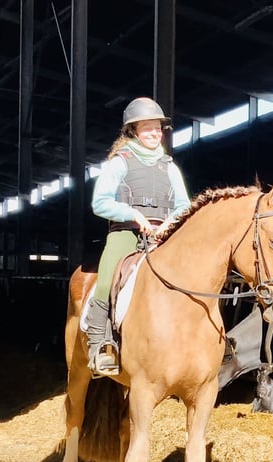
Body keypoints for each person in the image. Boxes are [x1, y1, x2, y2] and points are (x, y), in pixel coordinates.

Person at [86, 96, 191, 376]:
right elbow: (100, 202)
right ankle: (100, 345)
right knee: (108, 277)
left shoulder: (169, 166)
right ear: (133, 131)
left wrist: (168, 223)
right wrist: (134, 216)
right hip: (126, 233)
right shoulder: (119, 163)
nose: (154, 133)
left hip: (164, 233)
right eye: (147, 128)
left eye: (157, 128)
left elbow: (183, 205)